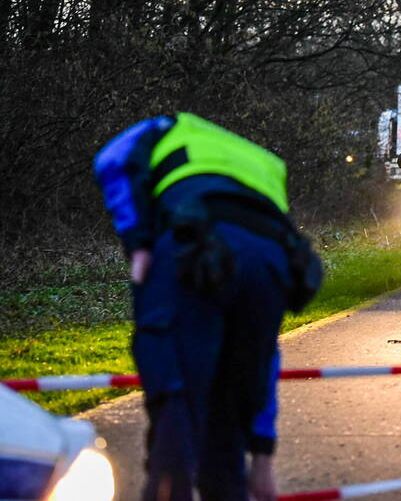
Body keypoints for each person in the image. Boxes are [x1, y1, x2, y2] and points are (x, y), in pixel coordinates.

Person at [94, 113, 321, 501]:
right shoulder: (263, 160)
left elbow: (111, 159)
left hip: (193, 247)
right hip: (273, 260)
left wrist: (140, 242)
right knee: (231, 413)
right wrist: (263, 456)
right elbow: (264, 358)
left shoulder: (164, 128)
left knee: (176, 401)